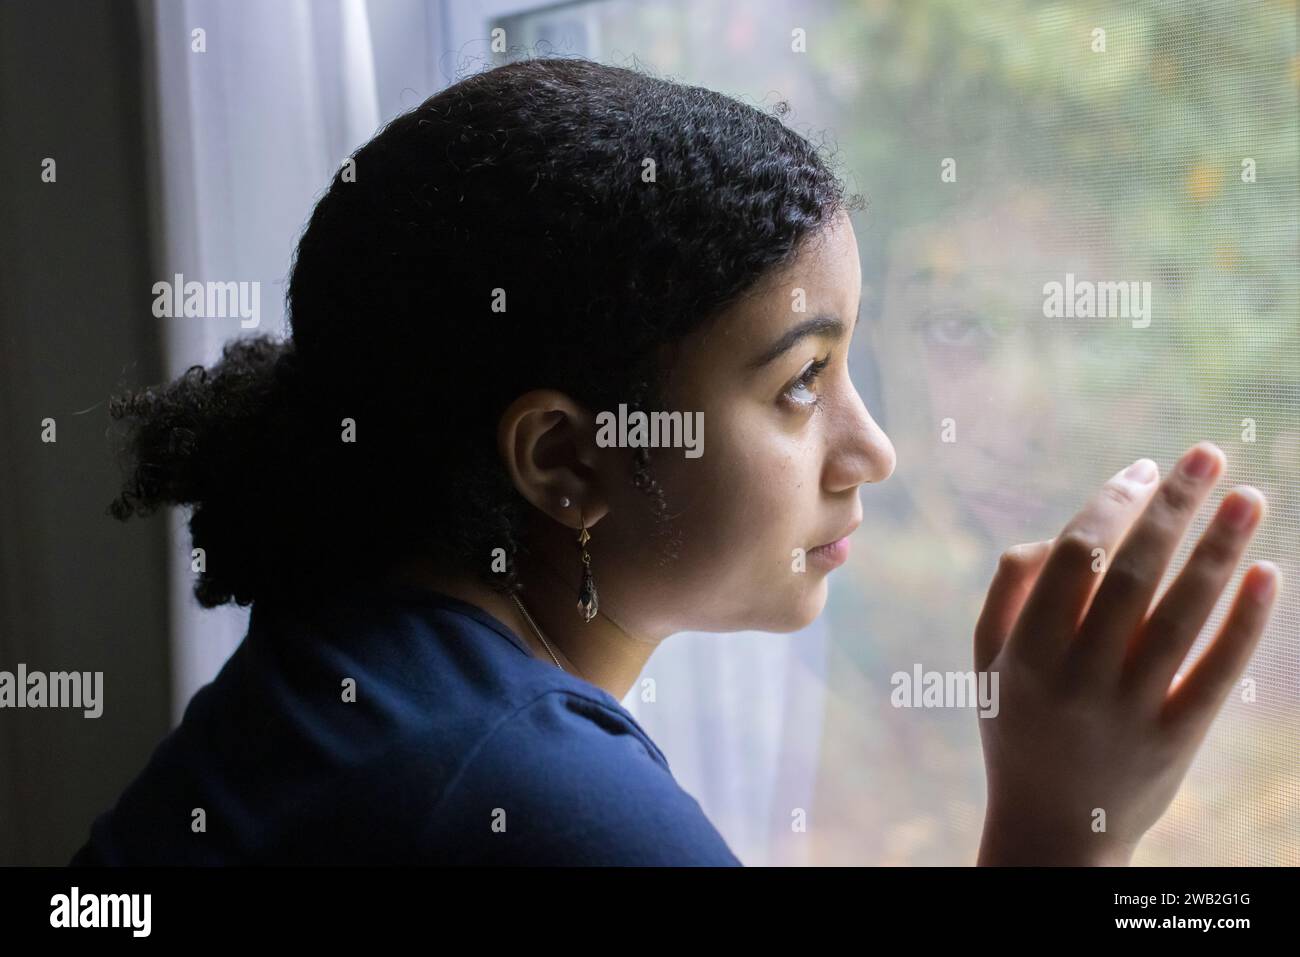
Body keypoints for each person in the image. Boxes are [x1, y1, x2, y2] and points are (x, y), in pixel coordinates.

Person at [69, 57, 1279, 866]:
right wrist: (1059, 826)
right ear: (563, 461)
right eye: (800, 383)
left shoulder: (359, 663)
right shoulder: (534, 797)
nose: (873, 449)